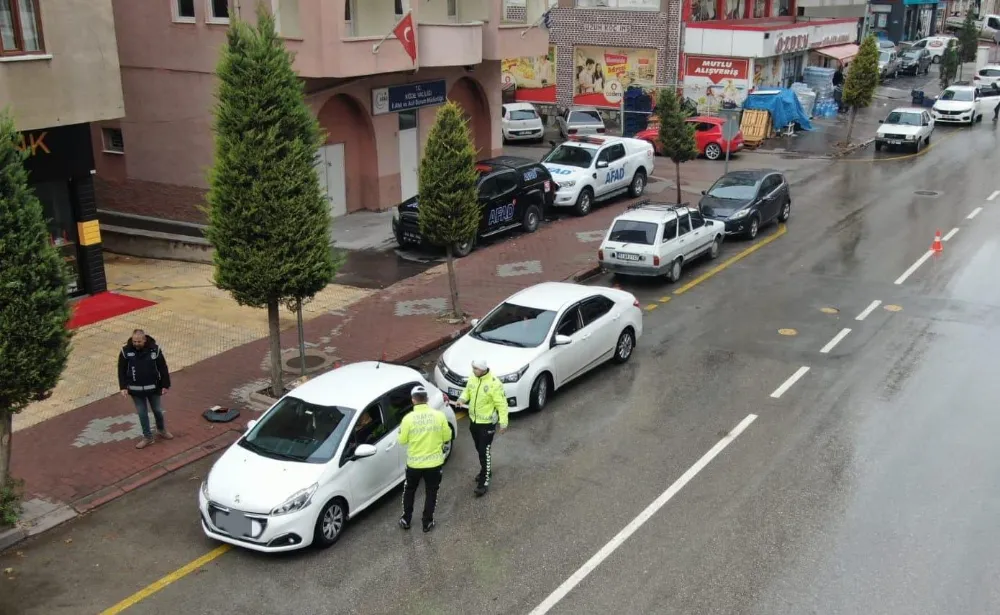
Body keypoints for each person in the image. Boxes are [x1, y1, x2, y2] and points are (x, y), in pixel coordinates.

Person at [398, 386, 452, 533]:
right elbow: (447, 437)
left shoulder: (407, 419)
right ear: (427, 399)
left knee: (409, 491)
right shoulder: (439, 416)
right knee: (431, 492)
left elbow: (402, 440)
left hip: (414, 465)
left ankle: (406, 519)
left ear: (413, 400)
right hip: (434, 464)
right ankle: (427, 522)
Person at [455, 359, 509, 497]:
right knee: (479, 449)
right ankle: (486, 470)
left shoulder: (494, 384)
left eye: (476, 369)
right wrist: (462, 399)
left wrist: (503, 423)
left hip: (487, 425)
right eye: (473, 367)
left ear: (484, 369)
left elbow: (501, 405)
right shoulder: (473, 377)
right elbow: (467, 391)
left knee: (484, 452)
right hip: (474, 422)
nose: (473, 371)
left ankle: (484, 481)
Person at [117, 329, 173, 449]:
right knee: (142, 413)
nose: (136, 344)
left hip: (153, 388)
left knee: (157, 410)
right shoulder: (125, 351)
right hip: (135, 390)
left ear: (144, 340)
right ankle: (148, 437)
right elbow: (121, 370)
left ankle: (161, 430)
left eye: (139, 341)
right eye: (134, 341)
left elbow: (163, 367)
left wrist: (165, 385)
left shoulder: (155, 350)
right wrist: (123, 387)